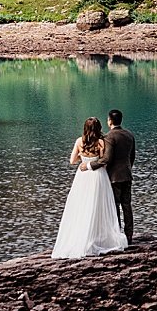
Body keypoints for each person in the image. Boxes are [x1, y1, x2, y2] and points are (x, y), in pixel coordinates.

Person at [51, 117, 128, 258]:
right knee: (99, 206)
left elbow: (72, 161)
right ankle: (99, 238)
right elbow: (104, 162)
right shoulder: (101, 142)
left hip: (82, 177)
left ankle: (83, 238)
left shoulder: (79, 141)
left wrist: (83, 159)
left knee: (82, 206)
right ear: (98, 128)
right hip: (99, 177)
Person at [101, 108, 136, 237]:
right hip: (127, 174)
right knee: (127, 205)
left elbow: (107, 158)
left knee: (114, 206)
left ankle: (117, 235)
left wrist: (90, 165)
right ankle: (129, 235)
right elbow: (132, 156)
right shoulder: (129, 134)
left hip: (114, 177)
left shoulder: (109, 137)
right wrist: (128, 168)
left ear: (110, 121)